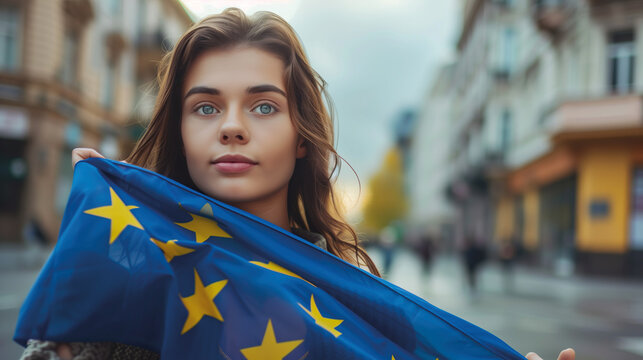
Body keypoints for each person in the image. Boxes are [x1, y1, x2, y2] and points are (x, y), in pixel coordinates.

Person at [19, 8, 574, 360]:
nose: (232, 126)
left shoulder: (344, 294)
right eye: (206, 106)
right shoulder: (135, 276)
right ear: (180, 131)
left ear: (301, 136)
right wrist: (79, 300)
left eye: (264, 105)